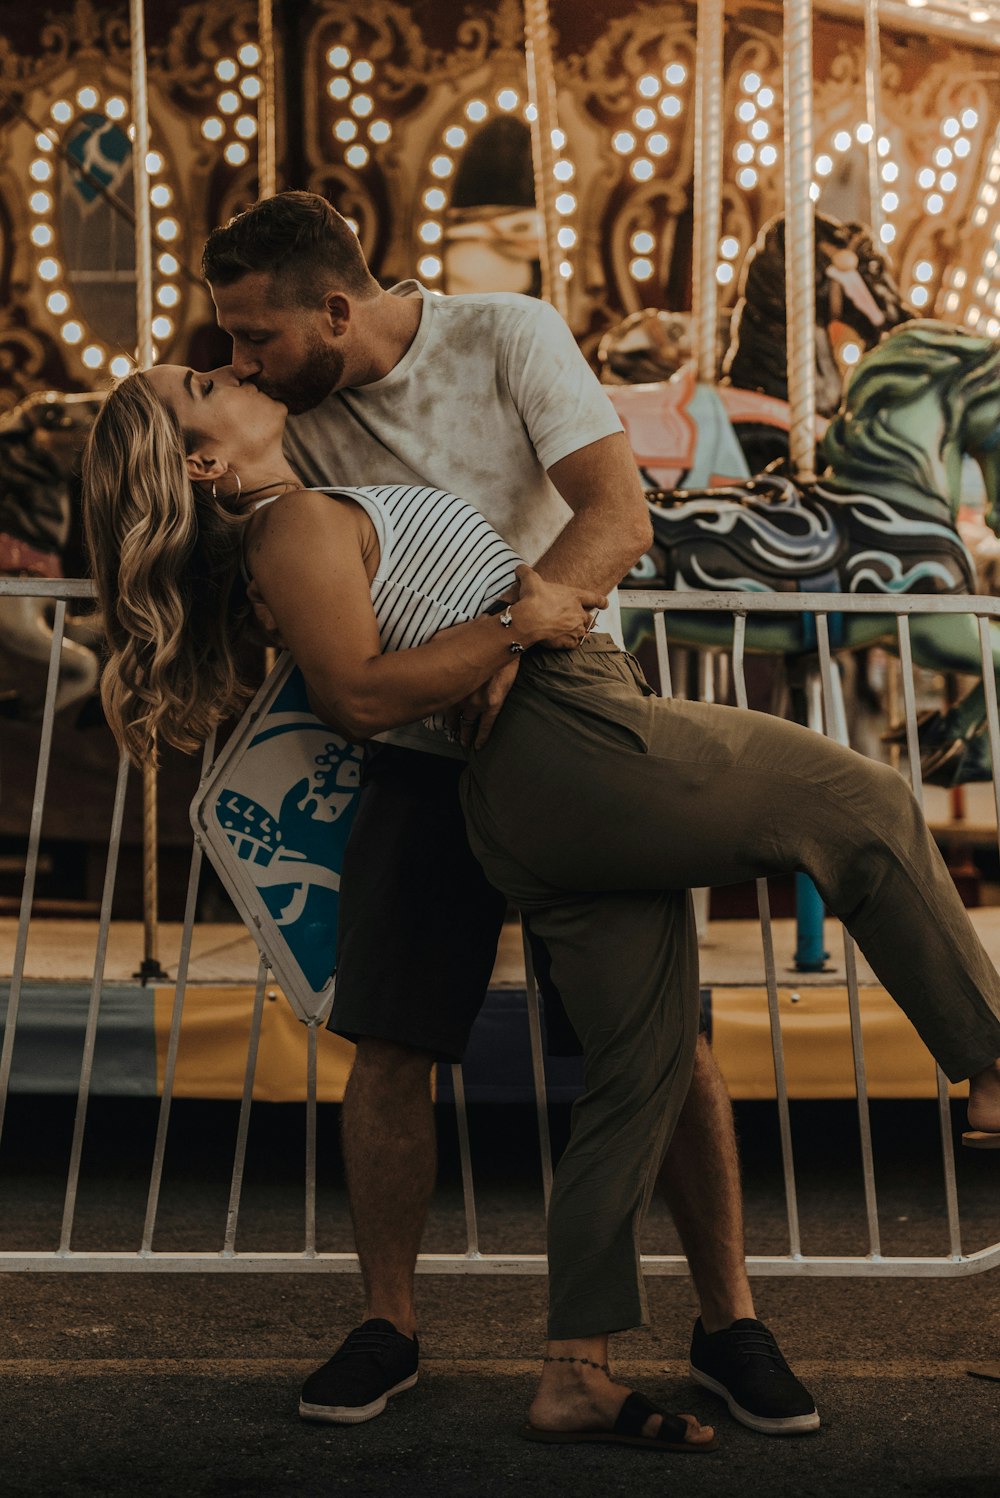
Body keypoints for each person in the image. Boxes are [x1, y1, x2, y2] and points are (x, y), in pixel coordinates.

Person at [82, 365, 1000, 1452]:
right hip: (573, 737)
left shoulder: (312, 508)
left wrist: (507, 626)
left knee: (639, 1065)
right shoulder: (292, 526)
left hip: (541, 778)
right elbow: (360, 695)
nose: (229, 367)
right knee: (863, 800)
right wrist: (519, 622)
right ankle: (990, 1062)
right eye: (204, 380)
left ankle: (575, 1369)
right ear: (203, 460)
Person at [192, 191, 822, 1439]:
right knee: (392, 1038)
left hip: (567, 735)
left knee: (661, 1041)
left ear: (335, 306)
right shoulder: (287, 420)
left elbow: (615, 515)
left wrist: (507, 652)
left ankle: (728, 1316)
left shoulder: (506, 334)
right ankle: (389, 1319)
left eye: (256, 337)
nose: (238, 361)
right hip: (418, 755)